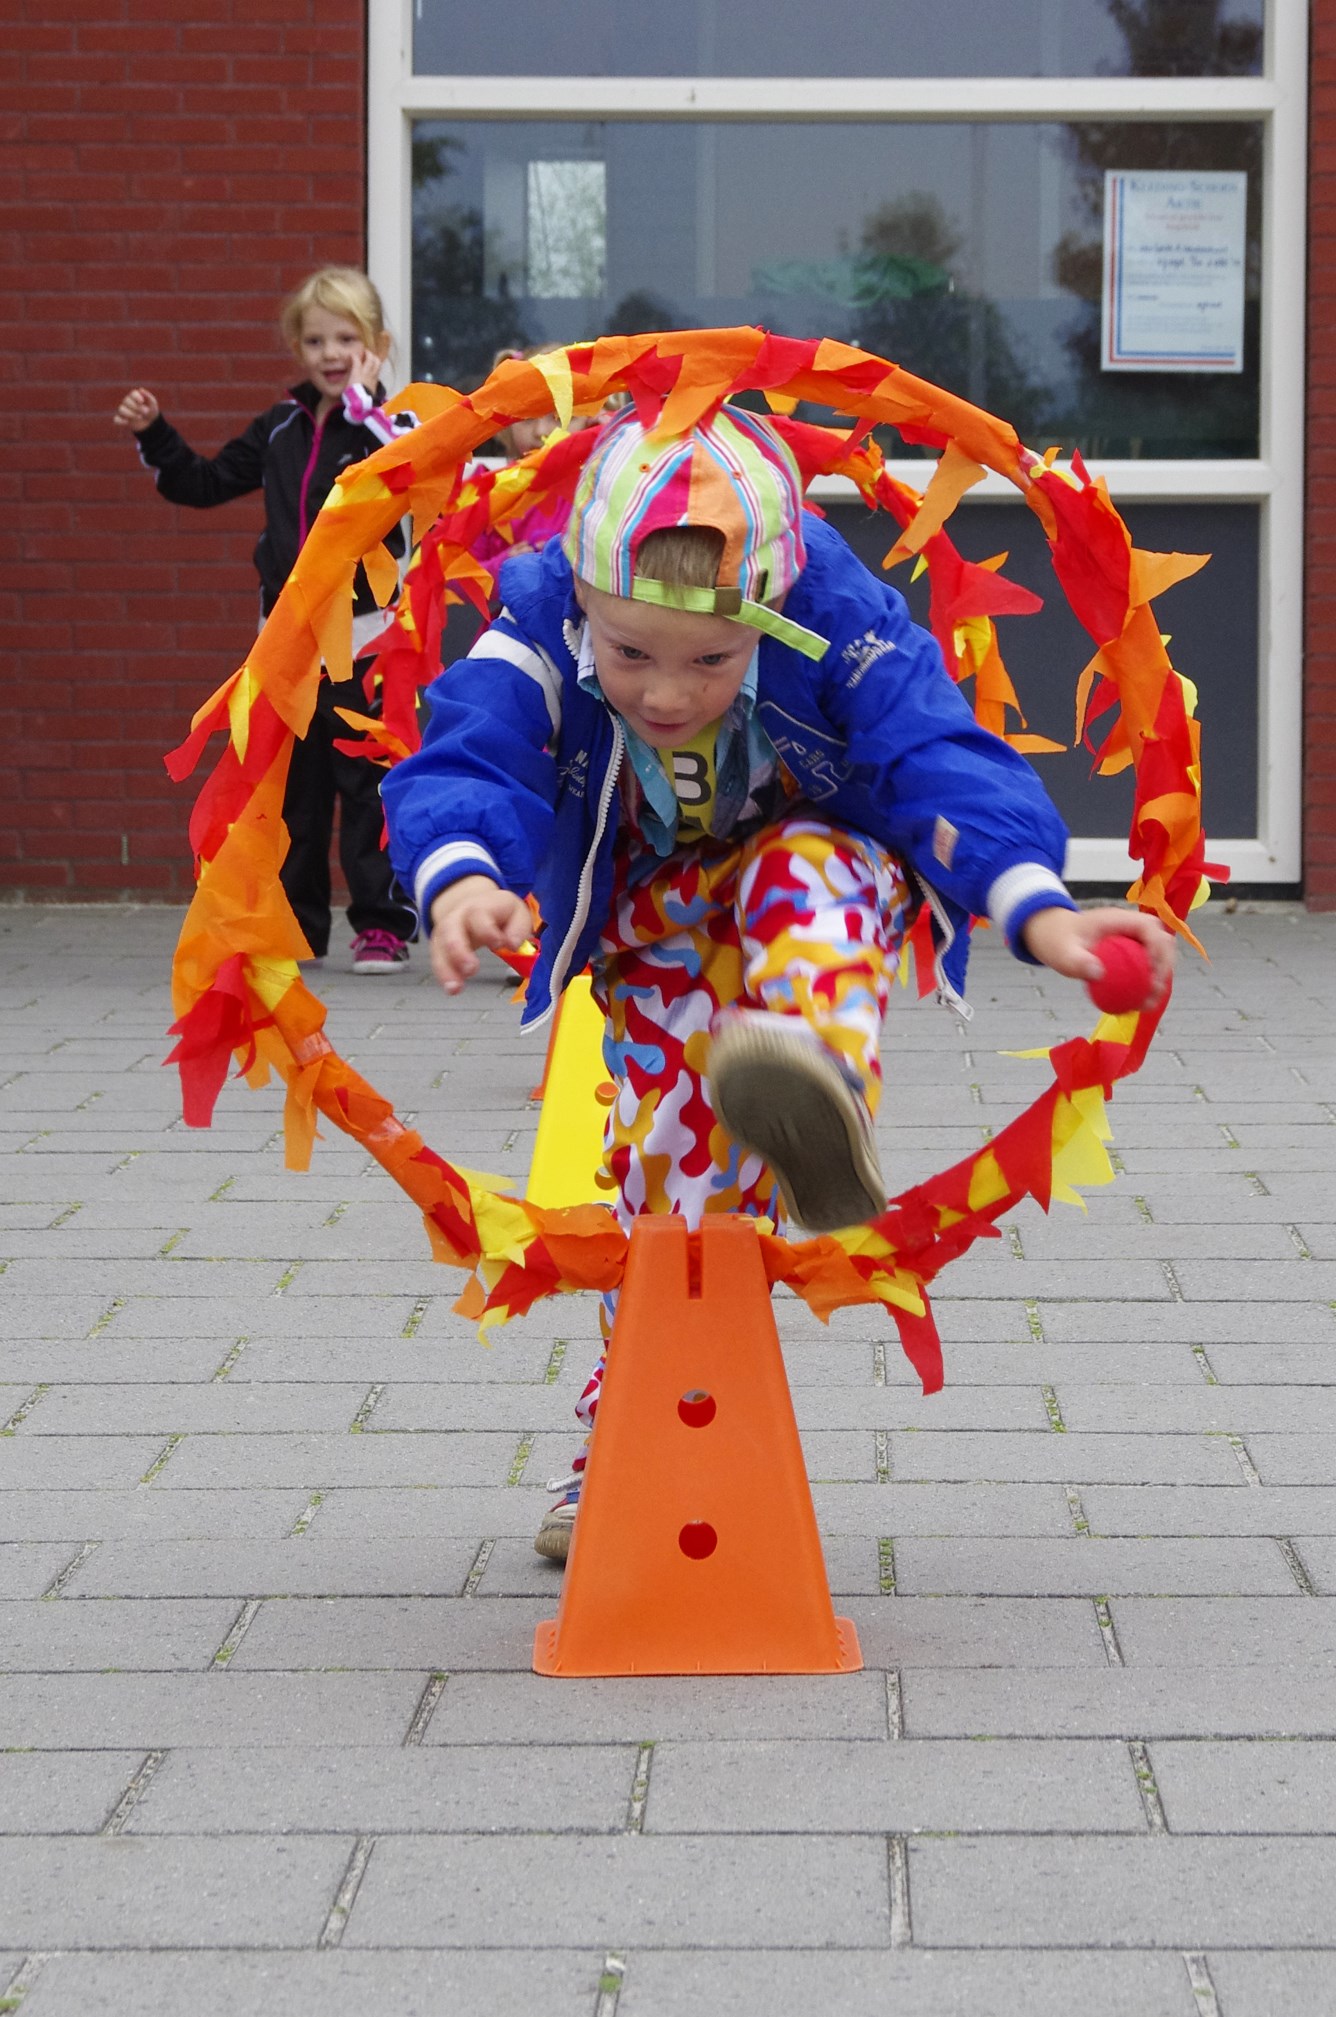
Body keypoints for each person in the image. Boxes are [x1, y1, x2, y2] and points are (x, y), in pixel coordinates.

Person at [379, 401, 1174, 1559]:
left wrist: (1036, 910)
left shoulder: (833, 616)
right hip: (653, 914)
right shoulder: (544, 606)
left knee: (805, 869)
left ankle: (815, 1083)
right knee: (665, 1191)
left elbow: (934, 750)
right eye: (630, 655)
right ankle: (626, 1439)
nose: (663, 693)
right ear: (585, 605)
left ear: (768, 616)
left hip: (818, 890)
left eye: (709, 659)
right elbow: (471, 746)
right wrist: (462, 882)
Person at [115, 266, 418, 972]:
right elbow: (205, 482)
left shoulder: (392, 425)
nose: (331, 353)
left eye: (347, 337)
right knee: (297, 794)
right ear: (297, 347)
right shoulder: (280, 425)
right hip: (285, 647)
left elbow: (399, 485)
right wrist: (156, 433)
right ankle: (298, 924)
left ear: (376, 343)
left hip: (364, 641)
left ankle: (381, 924)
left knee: (368, 785)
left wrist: (368, 407)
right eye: (315, 339)